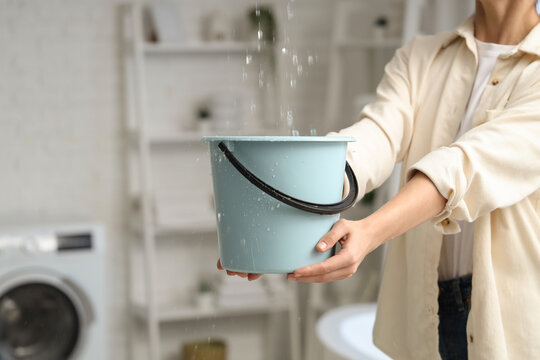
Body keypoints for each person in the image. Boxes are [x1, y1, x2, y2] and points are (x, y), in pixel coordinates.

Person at [218, 0, 540, 358]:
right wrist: (278, 213)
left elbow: (467, 165)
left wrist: (370, 231)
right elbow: (375, 138)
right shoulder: (421, 57)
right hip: (424, 310)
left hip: (510, 321)